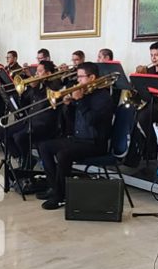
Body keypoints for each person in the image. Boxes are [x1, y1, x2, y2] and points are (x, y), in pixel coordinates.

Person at [38, 62, 115, 210]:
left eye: (80, 77)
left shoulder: (103, 98)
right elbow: (73, 123)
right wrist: (68, 106)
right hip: (78, 139)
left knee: (63, 154)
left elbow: (91, 121)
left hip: (95, 143)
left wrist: (79, 101)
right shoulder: (84, 94)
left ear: (92, 77)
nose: (77, 81)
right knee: (44, 146)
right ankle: (56, 189)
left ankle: (60, 197)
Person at [0, 60, 61, 168]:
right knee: (1, 131)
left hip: (44, 124)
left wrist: (36, 87)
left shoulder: (55, 86)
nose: (36, 74)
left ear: (49, 73)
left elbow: (45, 101)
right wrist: (23, 92)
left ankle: (26, 162)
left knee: (19, 137)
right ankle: (23, 157)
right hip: (30, 120)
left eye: (40, 71)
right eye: (37, 71)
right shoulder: (38, 85)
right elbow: (23, 104)